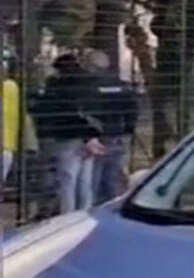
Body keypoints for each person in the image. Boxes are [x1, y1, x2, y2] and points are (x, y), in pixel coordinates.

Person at [40, 53, 105, 212]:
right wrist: (92, 136)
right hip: (91, 137)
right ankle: (85, 214)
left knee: (67, 180)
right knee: (85, 181)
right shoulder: (91, 84)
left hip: (68, 135)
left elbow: (59, 111)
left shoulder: (59, 86)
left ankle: (67, 216)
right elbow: (97, 111)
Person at [85, 50, 139, 202]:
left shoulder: (90, 87)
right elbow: (132, 108)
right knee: (111, 178)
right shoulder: (120, 84)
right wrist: (128, 128)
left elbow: (88, 111)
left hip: (99, 136)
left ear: (92, 66)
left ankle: (95, 207)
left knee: (93, 179)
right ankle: (109, 204)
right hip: (118, 134)